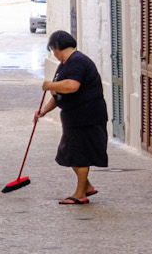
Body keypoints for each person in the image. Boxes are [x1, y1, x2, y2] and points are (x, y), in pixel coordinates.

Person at [40, 29, 108, 204]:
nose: (54, 54)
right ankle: (87, 187)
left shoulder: (77, 62)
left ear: (56, 47)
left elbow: (71, 86)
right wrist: (43, 111)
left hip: (86, 117)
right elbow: (59, 94)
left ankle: (80, 195)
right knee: (68, 152)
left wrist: (50, 84)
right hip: (75, 117)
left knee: (79, 154)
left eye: (53, 50)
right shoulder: (66, 64)